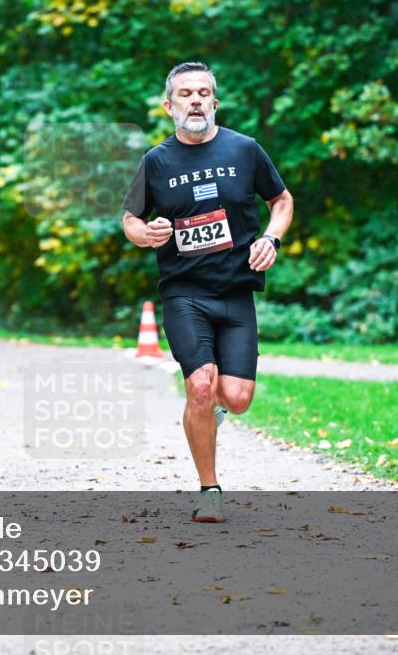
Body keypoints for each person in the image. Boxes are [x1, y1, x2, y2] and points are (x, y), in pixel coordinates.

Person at [121, 62, 294, 523]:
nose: (194, 100)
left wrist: (271, 238)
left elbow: (281, 200)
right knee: (200, 386)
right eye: (185, 94)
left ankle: (210, 410)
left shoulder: (244, 149)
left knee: (236, 398)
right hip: (184, 292)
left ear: (215, 102)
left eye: (202, 93)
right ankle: (209, 490)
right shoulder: (156, 162)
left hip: (236, 292)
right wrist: (146, 234)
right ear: (169, 106)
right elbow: (131, 219)